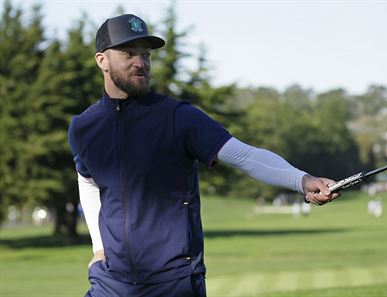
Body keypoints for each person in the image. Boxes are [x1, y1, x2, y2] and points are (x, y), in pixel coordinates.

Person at [68, 14, 339, 297]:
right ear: (102, 61)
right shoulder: (83, 127)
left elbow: (245, 156)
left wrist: (303, 180)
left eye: (146, 55)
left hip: (174, 283)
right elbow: (87, 180)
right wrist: (99, 248)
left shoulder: (178, 117)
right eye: (128, 53)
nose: (140, 62)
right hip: (111, 284)